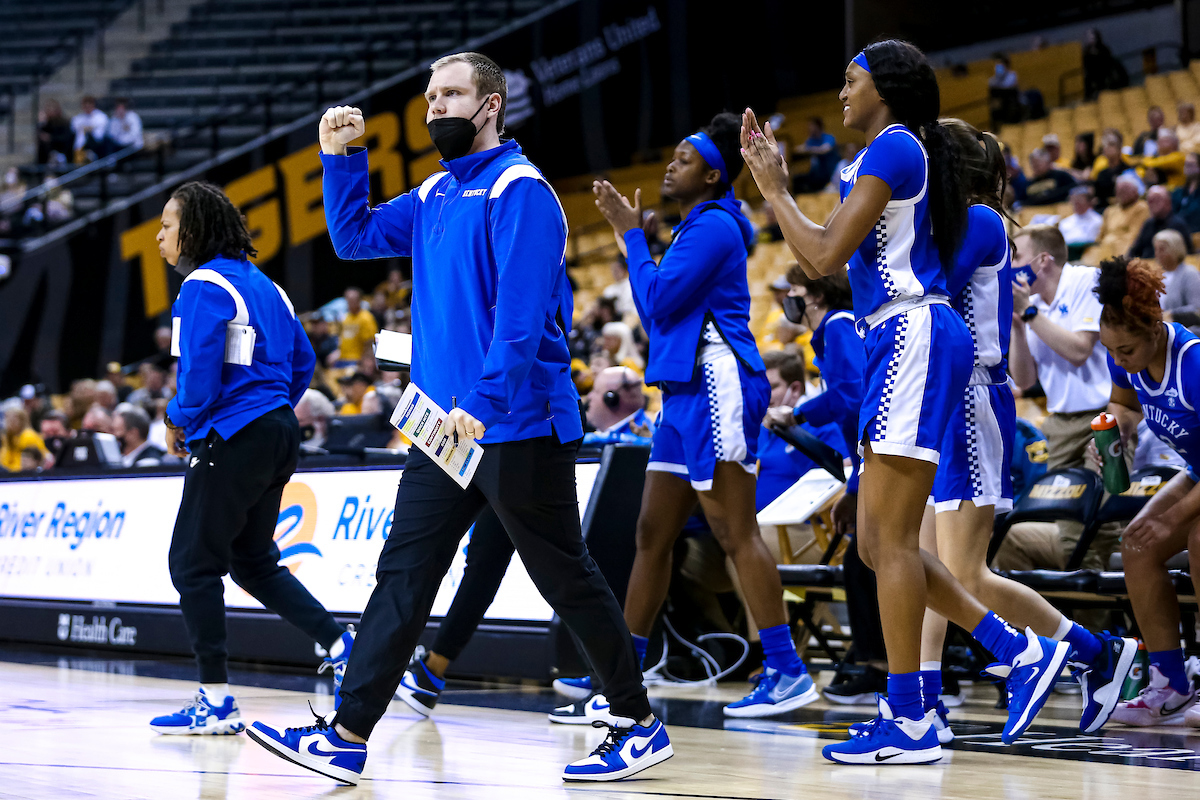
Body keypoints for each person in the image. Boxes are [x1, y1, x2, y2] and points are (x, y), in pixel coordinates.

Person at [250, 53, 670, 785]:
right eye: (429, 95)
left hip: (516, 423)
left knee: (564, 578)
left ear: (492, 105)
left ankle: (638, 722)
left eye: (450, 94)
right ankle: (349, 735)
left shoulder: (523, 191)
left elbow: (521, 317)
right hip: (446, 432)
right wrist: (340, 157)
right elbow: (351, 237)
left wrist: (482, 402)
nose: (434, 106)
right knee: (404, 577)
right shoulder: (437, 189)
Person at [740, 40, 1070, 764]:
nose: (842, 92)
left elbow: (820, 256)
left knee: (889, 542)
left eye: (852, 79)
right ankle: (1011, 655)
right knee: (876, 540)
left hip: (914, 332)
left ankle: (917, 712)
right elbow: (823, 257)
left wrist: (772, 190)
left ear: (887, 89)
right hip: (900, 337)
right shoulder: (888, 153)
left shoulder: (895, 147)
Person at [592, 109, 822, 723]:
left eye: (685, 158)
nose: (671, 164)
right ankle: (625, 680)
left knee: (733, 532)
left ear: (716, 176)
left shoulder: (716, 225)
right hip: (683, 390)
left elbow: (660, 304)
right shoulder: (697, 225)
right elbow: (662, 308)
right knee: (651, 534)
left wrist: (630, 235)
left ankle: (786, 670)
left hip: (717, 378)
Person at [917, 120, 1135, 744]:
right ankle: (925, 696)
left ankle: (1095, 652)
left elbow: (925, 286)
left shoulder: (979, 219)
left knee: (962, 573)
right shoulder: (961, 222)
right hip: (943, 399)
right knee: (928, 562)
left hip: (971, 398)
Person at [148, 181, 354, 736]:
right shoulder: (269, 287)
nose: (159, 236)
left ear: (190, 230)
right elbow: (303, 363)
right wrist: (269, 412)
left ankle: (215, 701)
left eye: (167, 225)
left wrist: (176, 418)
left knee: (192, 564)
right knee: (253, 561)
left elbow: (197, 380)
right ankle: (341, 644)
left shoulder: (201, 285)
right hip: (279, 432)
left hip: (237, 436)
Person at [396, 366, 656, 716]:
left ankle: (612, 691)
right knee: (495, 563)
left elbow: (524, 336)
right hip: (494, 421)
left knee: (561, 571)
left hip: (523, 421)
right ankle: (433, 670)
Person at [1092, 256, 1200, 726]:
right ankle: (1170, 684)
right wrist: (1116, 430)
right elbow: (1123, 402)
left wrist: (1175, 520)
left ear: (1156, 330)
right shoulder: (1128, 357)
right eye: (1110, 351)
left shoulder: (1193, 365)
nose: (1118, 361)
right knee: (1136, 542)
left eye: (1125, 351)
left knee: (1196, 539)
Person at [1008, 224, 1120, 566]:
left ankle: (1116, 616)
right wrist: (1017, 324)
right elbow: (1025, 380)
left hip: (1107, 418)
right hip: (1059, 425)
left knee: (1102, 523)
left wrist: (1029, 313)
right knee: (1070, 530)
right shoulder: (1035, 305)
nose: (1010, 266)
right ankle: (1088, 617)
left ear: (1042, 260)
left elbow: (1080, 350)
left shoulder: (1085, 280)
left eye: (1018, 257)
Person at [1128, 185, 1195, 259]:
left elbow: (1185, 255)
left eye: (1157, 199)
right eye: (1150, 201)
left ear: (1168, 202)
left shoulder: (1178, 225)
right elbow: (1135, 251)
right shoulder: (1148, 224)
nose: (1152, 204)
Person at [1153, 229, 1200, 327]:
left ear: (1175, 249)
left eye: (1162, 249)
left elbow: (1196, 308)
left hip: (1184, 329)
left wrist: (1171, 314)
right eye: (1156, 249)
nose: (1157, 254)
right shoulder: (1156, 275)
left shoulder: (1189, 273)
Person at [1097, 175, 1151, 256]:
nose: (1121, 194)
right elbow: (1100, 236)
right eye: (1118, 191)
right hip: (1104, 249)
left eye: (1125, 190)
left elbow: (1135, 236)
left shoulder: (1142, 208)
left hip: (1124, 250)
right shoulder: (1109, 210)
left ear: (1135, 191)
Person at [793, 116, 839, 192]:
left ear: (817, 126)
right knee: (797, 179)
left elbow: (825, 149)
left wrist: (809, 149)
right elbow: (801, 148)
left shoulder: (828, 137)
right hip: (817, 173)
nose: (809, 128)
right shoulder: (811, 140)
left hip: (830, 172)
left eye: (811, 126)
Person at [334, 287, 377, 368]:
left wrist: (364, 362)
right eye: (348, 299)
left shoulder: (366, 318)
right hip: (342, 358)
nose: (350, 302)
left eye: (353, 299)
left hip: (357, 360)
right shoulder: (345, 317)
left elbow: (369, 342)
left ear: (359, 300)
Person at [1092, 131, 1133, 208]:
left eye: (1111, 144)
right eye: (1105, 145)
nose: (1107, 148)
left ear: (1119, 147)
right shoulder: (1102, 174)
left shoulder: (1128, 172)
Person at [1059, 186, 1103, 257]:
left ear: (1089, 202)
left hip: (1088, 255)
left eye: (1080, 200)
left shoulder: (1098, 221)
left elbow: (1092, 242)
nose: (1077, 203)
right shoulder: (1065, 222)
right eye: (1074, 200)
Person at [0, 408, 47, 473]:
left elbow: (27, 464)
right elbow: (4, 461)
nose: (10, 423)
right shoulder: (9, 437)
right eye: (7, 419)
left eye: (13, 420)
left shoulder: (28, 436)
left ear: (22, 421)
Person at [71, 96, 108, 161]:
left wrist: (90, 128)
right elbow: (74, 128)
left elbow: (100, 134)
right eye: (85, 106)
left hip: (96, 145)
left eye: (89, 105)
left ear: (93, 105)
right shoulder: (78, 118)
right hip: (81, 147)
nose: (87, 108)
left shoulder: (101, 117)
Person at [37, 99, 73, 165]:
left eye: (51, 110)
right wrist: (41, 124)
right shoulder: (46, 124)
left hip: (62, 153)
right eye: (47, 110)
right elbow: (40, 138)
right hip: (47, 155)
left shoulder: (64, 123)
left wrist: (51, 138)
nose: (48, 112)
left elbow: (65, 139)